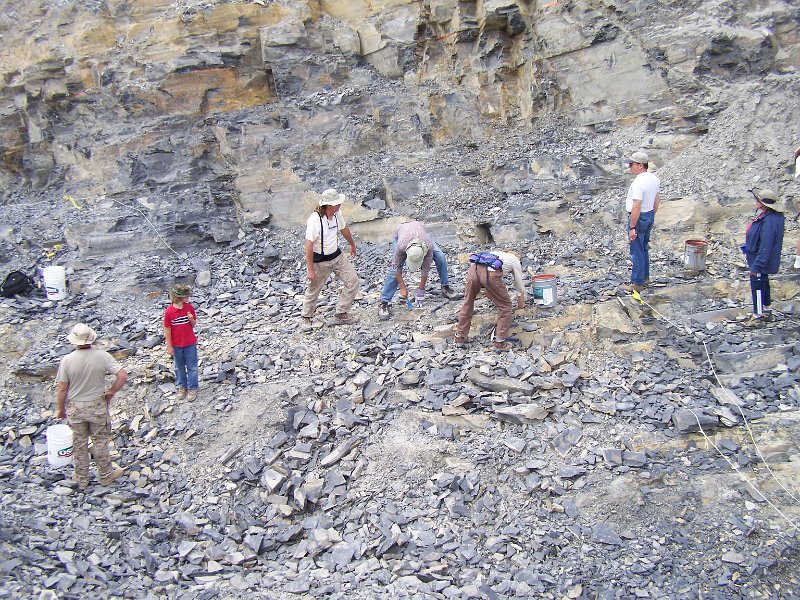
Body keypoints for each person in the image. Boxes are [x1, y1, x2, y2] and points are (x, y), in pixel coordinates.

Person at [56, 323, 128, 490]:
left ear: (74, 341)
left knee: (79, 442)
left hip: (75, 407)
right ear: (91, 339)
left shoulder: (67, 360)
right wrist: (110, 392)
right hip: (97, 405)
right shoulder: (103, 356)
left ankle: (82, 478)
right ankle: (106, 475)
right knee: (100, 441)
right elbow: (123, 376)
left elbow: (62, 388)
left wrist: (60, 409)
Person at [301, 188, 360, 331]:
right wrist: (310, 269)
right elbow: (308, 245)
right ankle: (306, 318)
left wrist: (352, 244)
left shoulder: (336, 213)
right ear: (328, 205)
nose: (340, 205)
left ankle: (341, 313)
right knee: (314, 288)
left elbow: (343, 228)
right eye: (337, 203)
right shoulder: (315, 220)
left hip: (337, 256)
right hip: (320, 261)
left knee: (352, 280)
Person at [378, 221, 455, 319]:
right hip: (401, 233)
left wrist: (421, 289)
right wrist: (402, 287)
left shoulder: (428, 247)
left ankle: (445, 287)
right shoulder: (401, 246)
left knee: (440, 257)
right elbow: (396, 266)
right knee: (394, 272)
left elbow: (425, 269)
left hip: (421, 236)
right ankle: (384, 301)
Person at [454, 250, 526, 351]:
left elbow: (486, 286)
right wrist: (520, 304)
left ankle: (459, 338)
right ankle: (500, 342)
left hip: (473, 270)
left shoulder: (496, 253)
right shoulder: (515, 261)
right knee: (506, 307)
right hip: (490, 274)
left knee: (468, 302)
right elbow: (519, 285)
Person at [742, 187, 785, 325]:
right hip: (758, 257)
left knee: (758, 283)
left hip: (760, 260)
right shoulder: (768, 216)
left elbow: (766, 245)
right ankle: (765, 310)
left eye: (757, 199)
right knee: (762, 281)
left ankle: (758, 314)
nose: (755, 201)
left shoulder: (770, 220)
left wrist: (757, 266)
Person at [621, 151, 660, 292]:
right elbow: (656, 200)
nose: (630, 167)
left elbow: (636, 205)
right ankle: (645, 278)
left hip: (639, 216)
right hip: (649, 214)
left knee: (636, 251)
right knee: (644, 248)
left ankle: (637, 283)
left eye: (631, 164)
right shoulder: (654, 179)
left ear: (640, 165)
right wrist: (651, 215)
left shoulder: (638, 183)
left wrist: (632, 227)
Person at [164, 284, 200, 400]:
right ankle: (182, 386)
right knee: (179, 367)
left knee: (192, 367)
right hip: (177, 344)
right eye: (186, 296)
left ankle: (193, 387)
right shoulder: (169, 312)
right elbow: (167, 330)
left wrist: (191, 319)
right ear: (179, 297)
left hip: (190, 343)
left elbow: (193, 324)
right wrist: (169, 346)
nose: (188, 299)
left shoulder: (189, 307)